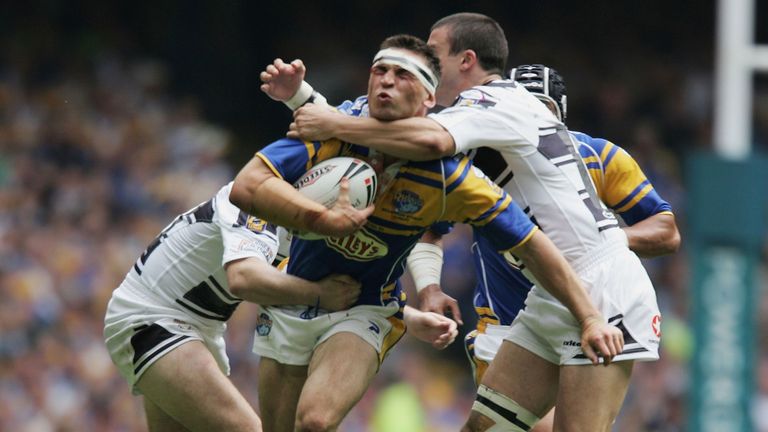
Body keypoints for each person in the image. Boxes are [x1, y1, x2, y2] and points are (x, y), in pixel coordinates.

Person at [287, 13, 659, 431]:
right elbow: (422, 184)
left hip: (601, 284)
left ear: (466, 60)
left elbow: (428, 140)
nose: (425, 59)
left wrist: (331, 121)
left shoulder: (494, 100)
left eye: (434, 50)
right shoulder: (473, 119)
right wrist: (301, 97)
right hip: (552, 290)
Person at [103, 181, 455, 431]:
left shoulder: (301, 224)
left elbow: (318, 286)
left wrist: (407, 318)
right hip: (152, 320)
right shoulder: (250, 199)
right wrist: (317, 294)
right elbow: (245, 279)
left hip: (199, 328)